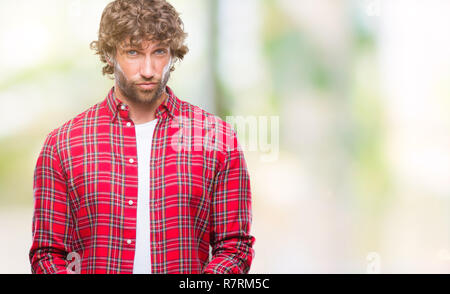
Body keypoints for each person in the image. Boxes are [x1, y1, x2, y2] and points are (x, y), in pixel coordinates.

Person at [29, 0, 255, 274]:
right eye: (133, 52)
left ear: (173, 54)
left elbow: (234, 247)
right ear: (111, 54)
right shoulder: (63, 146)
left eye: (159, 52)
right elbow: (47, 254)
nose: (148, 70)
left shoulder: (216, 138)